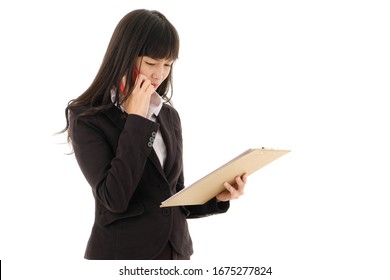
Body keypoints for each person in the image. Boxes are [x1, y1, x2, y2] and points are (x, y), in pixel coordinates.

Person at [62, 9, 247, 260]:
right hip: (123, 258)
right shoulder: (88, 117)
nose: (159, 74)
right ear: (125, 57)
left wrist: (216, 197)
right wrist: (136, 121)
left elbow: (172, 194)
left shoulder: (169, 116)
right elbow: (113, 198)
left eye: (168, 64)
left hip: (175, 256)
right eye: (151, 63)